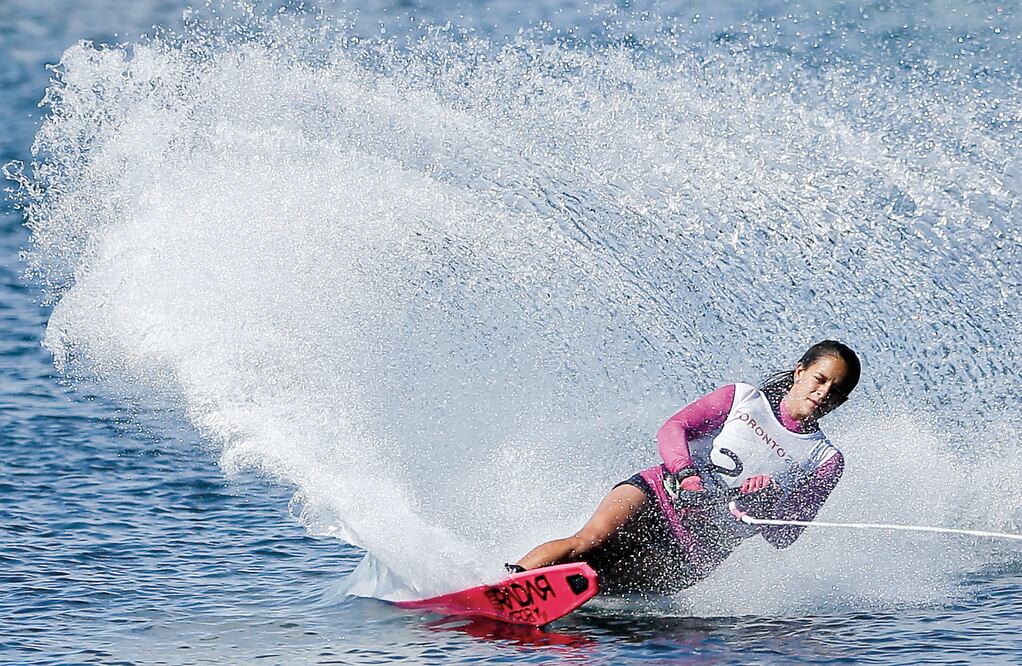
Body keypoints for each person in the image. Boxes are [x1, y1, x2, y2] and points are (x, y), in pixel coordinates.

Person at [510, 340, 861, 594]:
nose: (824, 393)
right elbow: (673, 429)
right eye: (820, 379)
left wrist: (767, 504)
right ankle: (509, 584)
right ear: (801, 372)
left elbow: (785, 535)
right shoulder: (742, 398)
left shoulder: (824, 460)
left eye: (836, 390)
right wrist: (686, 475)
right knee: (589, 542)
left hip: (699, 546)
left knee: (603, 585)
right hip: (660, 494)